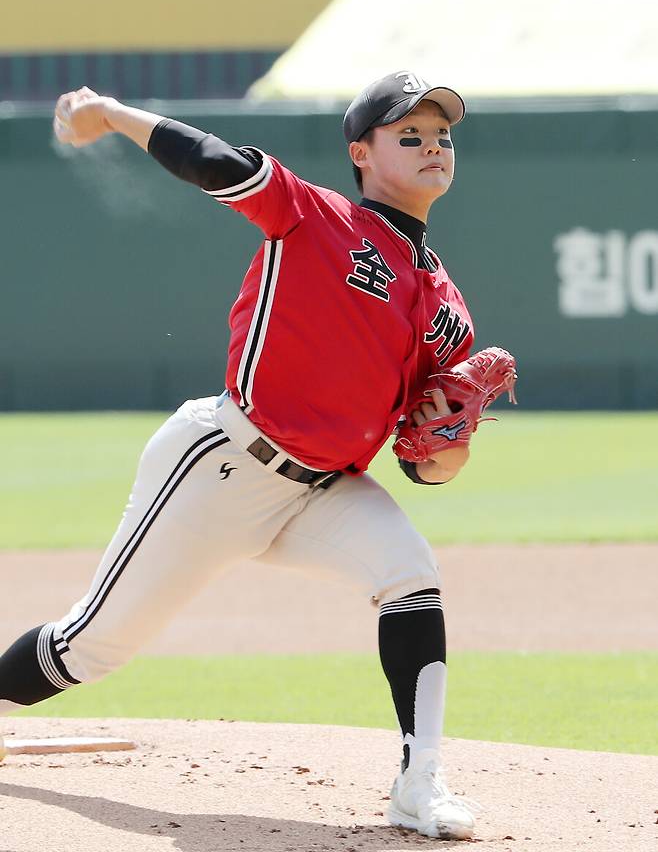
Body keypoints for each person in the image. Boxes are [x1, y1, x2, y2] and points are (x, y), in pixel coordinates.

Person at [0, 71, 479, 839]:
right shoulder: (317, 216)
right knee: (90, 648)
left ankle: (420, 783)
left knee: (411, 575)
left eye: (443, 136)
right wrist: (109, 113)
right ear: (361, 152)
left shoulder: (447, 303)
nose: (433, 147)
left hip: (326, 488)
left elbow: (422, 464)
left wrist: (447, 447)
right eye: (410, 135)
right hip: (223, 465)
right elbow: (217, 162)